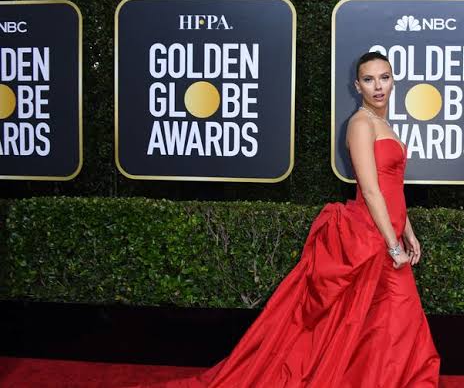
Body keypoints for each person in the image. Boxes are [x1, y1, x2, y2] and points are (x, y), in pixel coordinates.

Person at [131, 51, 440, 387]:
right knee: (385, 316)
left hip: (386, 236)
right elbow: (369, 190)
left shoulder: (384, 125)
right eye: (369, 79)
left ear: (393, 81)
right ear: (357, 86)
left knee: (382, 321)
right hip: (369, 238)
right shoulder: (360, 124)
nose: (378, 86)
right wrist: (393, 245)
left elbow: (393, 188)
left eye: (384, 77)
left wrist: (407, 231)